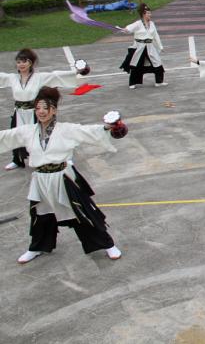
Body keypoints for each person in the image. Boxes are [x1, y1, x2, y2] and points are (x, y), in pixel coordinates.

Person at [0, 87, 123, 264]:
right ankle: (36, 247)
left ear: (54, 110)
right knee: (41, 216)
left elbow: (88, 131)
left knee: (81, 213)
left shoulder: (66, 129)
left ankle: (107, 244)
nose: (41, 112)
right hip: (41, 180)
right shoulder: (27, 131)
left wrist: (106, 127)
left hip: (63, 178)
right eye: (38, 108)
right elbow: (6, 136)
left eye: (45, 108)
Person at [1, 49, 80, 170]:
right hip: (19, 113)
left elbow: (56, 76)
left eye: (24, 61)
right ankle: (17, 160)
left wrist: (77, 71)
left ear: (30, 63)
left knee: (46, 136)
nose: (21, 64)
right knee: (15, 136)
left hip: (35, 112)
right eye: (18, 62)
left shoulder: (39, 77)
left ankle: (63, 158)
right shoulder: (12, 78)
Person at [119, 3, 166, 89]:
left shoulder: (152, 24)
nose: (150, 15)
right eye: (148, 13)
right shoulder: (138, 23)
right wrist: (125, 29)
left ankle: (159, 82)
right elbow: (130, 28)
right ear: (143, 14)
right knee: (136, 65)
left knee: (157, 63)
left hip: (150, 47)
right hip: (140, 47)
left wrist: (160, 46)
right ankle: (132, 83)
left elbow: (156, 35)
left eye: (150, 13)